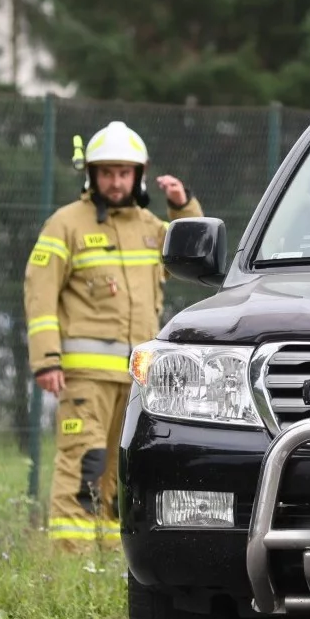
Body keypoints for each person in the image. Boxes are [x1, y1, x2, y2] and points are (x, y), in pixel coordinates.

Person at [24, 122, 203, 549]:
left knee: (123, 472)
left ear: (138, 176)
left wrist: (182, 205)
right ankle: (70, 565)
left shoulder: (149, 226)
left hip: (139, 378)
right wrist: (46, 360)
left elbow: (192, 253)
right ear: (92, 175)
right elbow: (39, 291)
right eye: (107, 173)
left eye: (124, 173)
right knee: (83, 465)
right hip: (84, 379)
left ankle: (107, 562)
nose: (116, 182)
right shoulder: (65, 224)